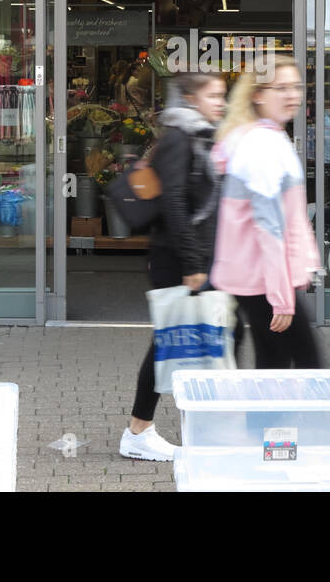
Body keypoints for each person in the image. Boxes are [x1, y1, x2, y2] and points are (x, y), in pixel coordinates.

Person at [120, 70, 234, 462]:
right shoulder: (178, 140)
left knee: (201, 340)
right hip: (179, 260)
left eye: (223, 95)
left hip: (197, 258)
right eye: (214, 95)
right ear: (190, 99)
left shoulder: (201, 137)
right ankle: (138, 430)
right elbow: (173, 205)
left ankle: (199, 426)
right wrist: (193, 264)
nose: (221, 102)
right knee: (172, 344)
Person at [210, 55, 324, 369]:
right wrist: (282, 297)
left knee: (273, 361)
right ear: (258, 94)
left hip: (259, 278)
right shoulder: (261, 145)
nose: (292, 95)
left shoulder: (261, 137)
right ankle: (277, 419)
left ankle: (269, 420)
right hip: (264, 280)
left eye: (297, 87)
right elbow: (270, 227)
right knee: (307, 364)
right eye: (281, 88)